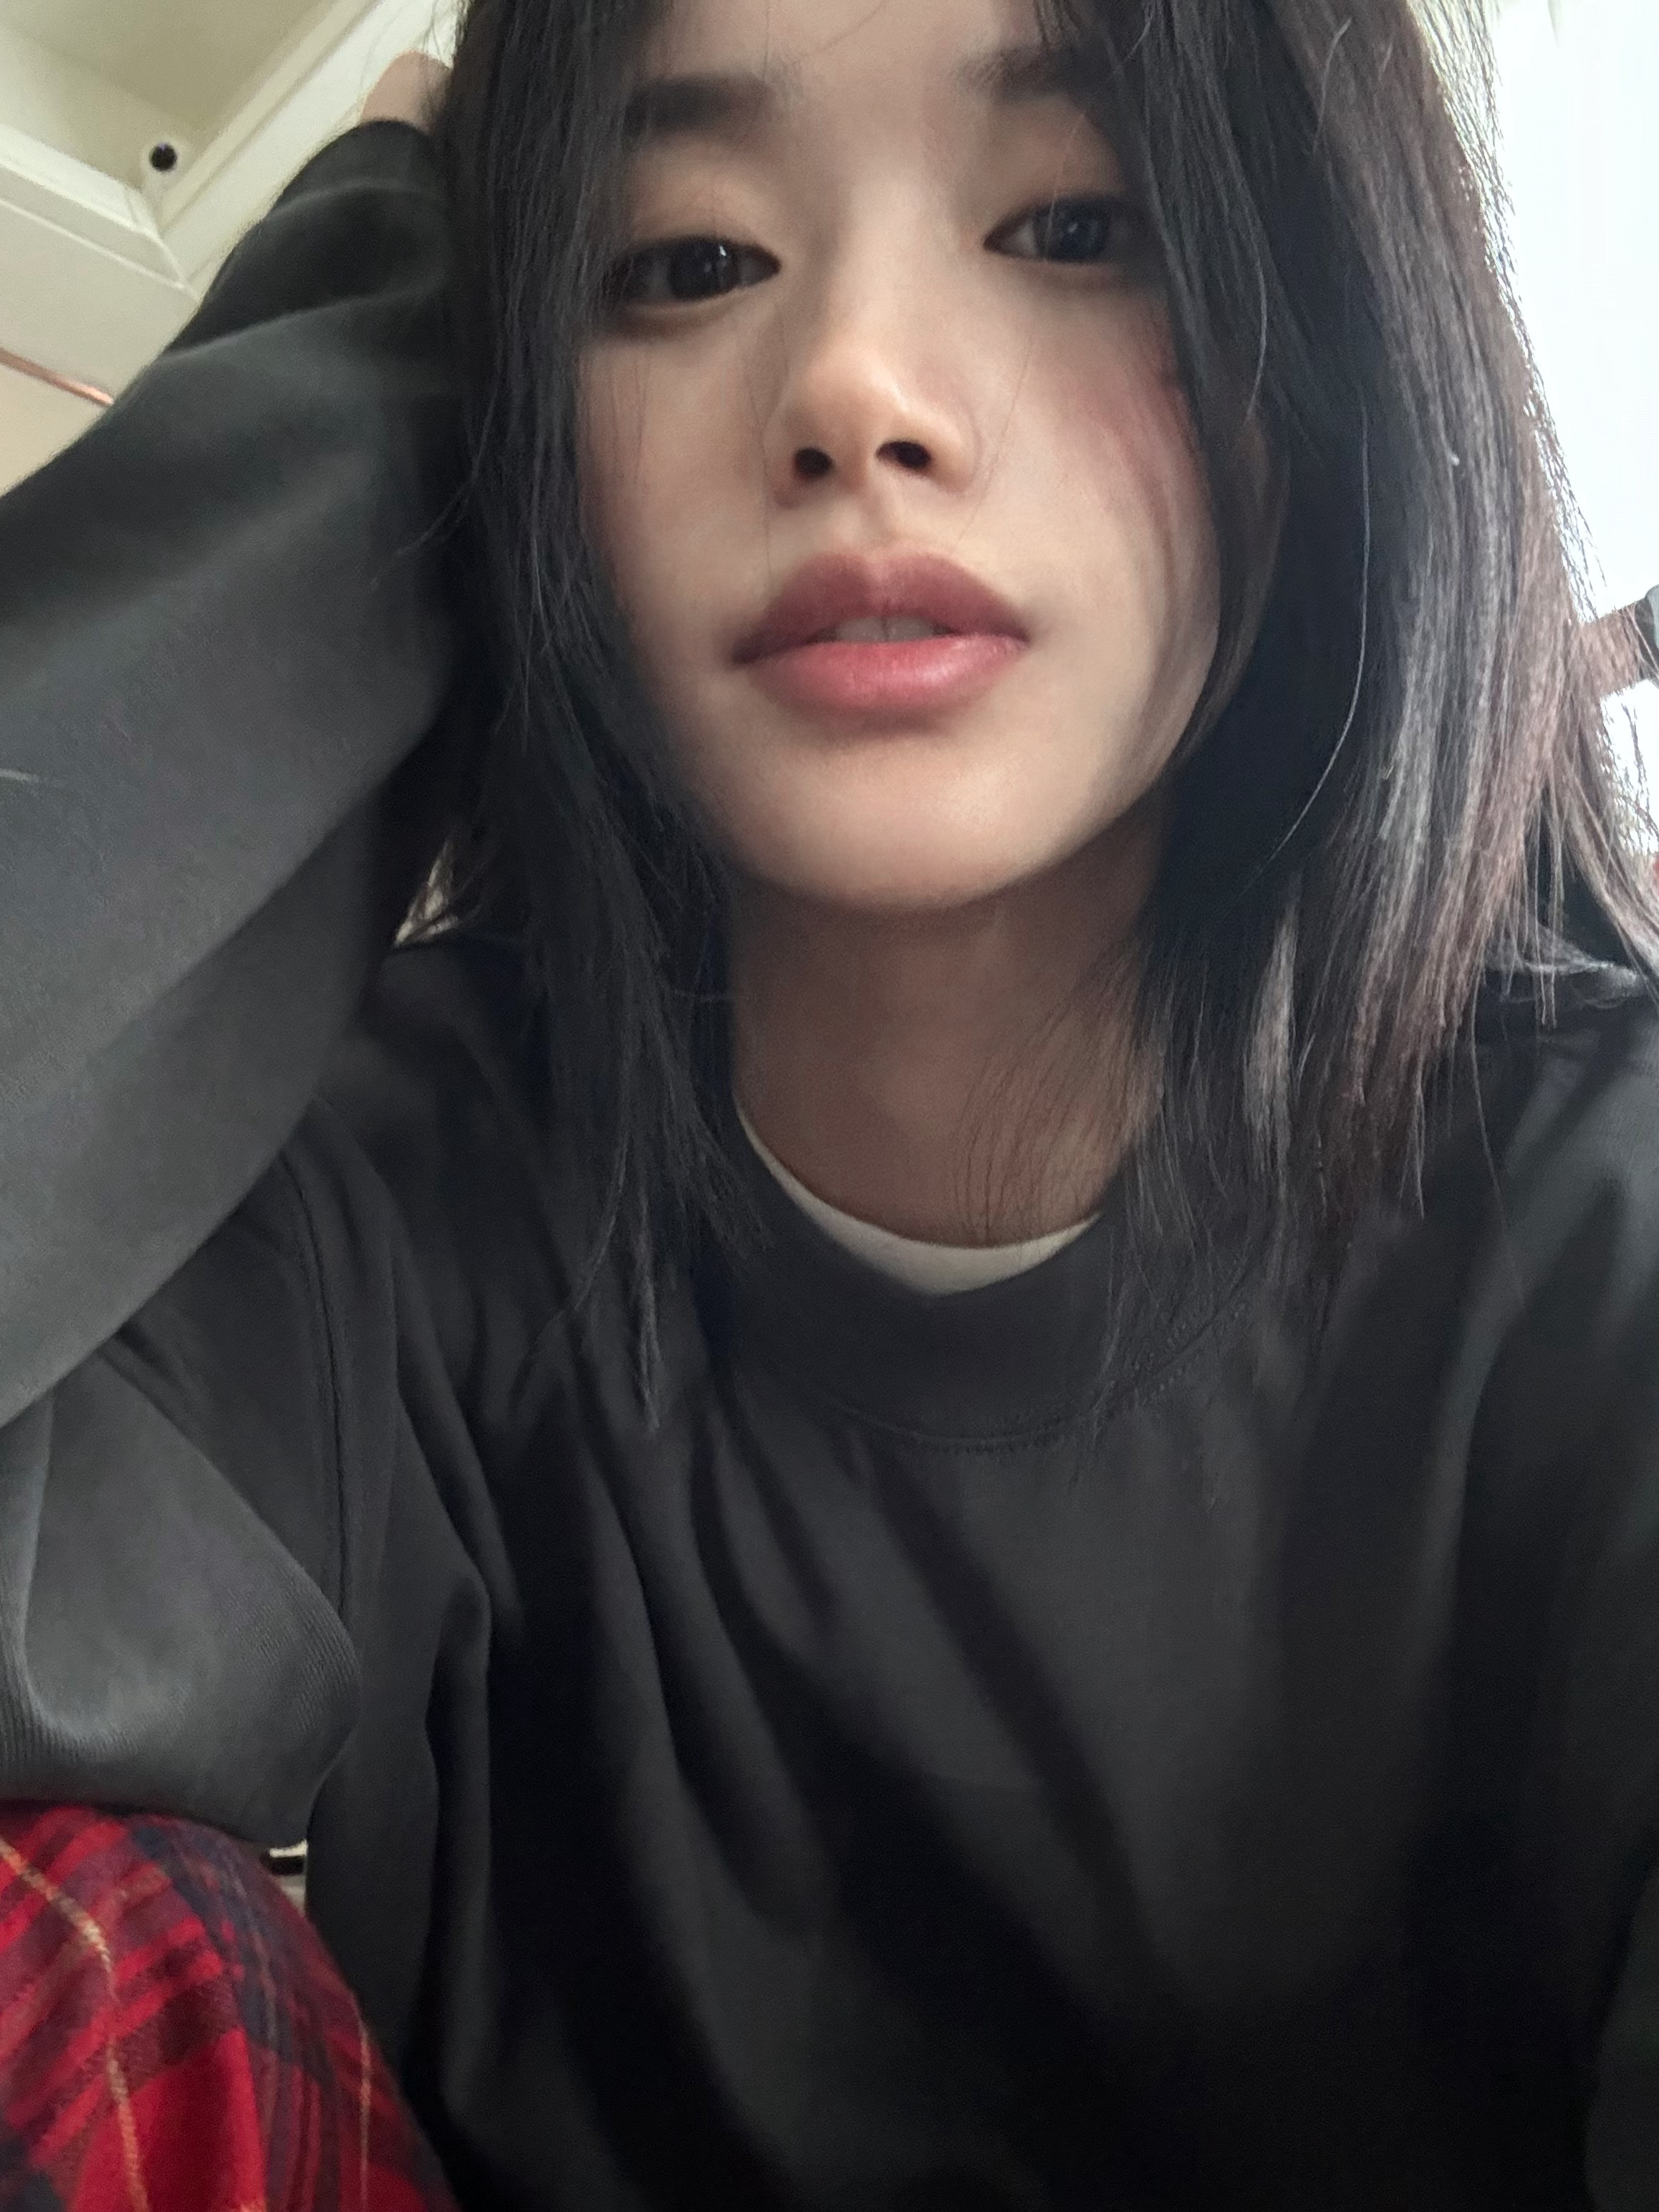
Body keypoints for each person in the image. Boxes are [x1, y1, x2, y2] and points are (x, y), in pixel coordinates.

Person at [1, 0, 1657, 2206]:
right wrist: (397, 284)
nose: (856, 387)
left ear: (1329, 326)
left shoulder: (1601, 1232)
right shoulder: (390, 1199)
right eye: (682, 262)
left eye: (1075, 225)